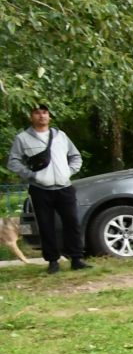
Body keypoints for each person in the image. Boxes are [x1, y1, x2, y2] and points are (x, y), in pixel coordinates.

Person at [8, 104, 86, 272]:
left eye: (45, 112)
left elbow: (75, 156)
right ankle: (53, 262)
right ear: (31, 117)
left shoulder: (61, 136)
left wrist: (69, 172)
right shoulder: (22, 138)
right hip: (40, 189)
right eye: (37, 113)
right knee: (45, 225)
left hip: (64, 187)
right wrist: (32, 175)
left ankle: (77, 259)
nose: (41, 116)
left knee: (72, 222)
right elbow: (13, 162)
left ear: (49, 117)